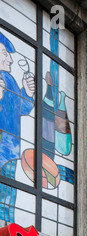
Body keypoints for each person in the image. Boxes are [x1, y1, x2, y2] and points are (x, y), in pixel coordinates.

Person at [0, 32, 35, 222]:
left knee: (7, 196)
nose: (10, 59)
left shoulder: (10, 79)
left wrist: (27, 93)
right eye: (5, 53)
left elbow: (21, 108)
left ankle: (7, 229)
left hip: (11, 149)